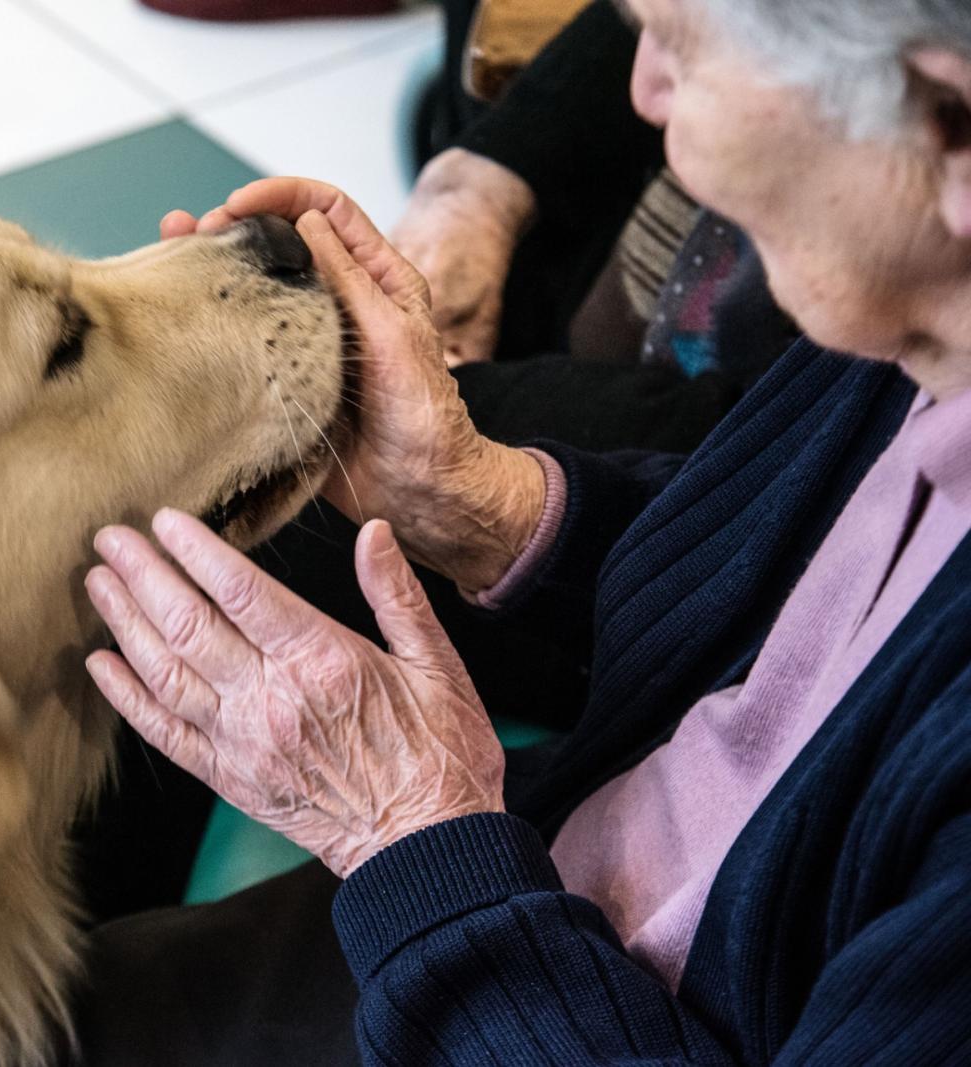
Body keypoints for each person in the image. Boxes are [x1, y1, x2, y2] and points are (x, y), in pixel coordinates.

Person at [71, 0, 971, 1062]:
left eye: (683, 49)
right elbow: (785, 618)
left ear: (950, 126)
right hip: (533, 886)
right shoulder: (907, 328)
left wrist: (411, 833)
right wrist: (473, 500)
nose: (640, 89)